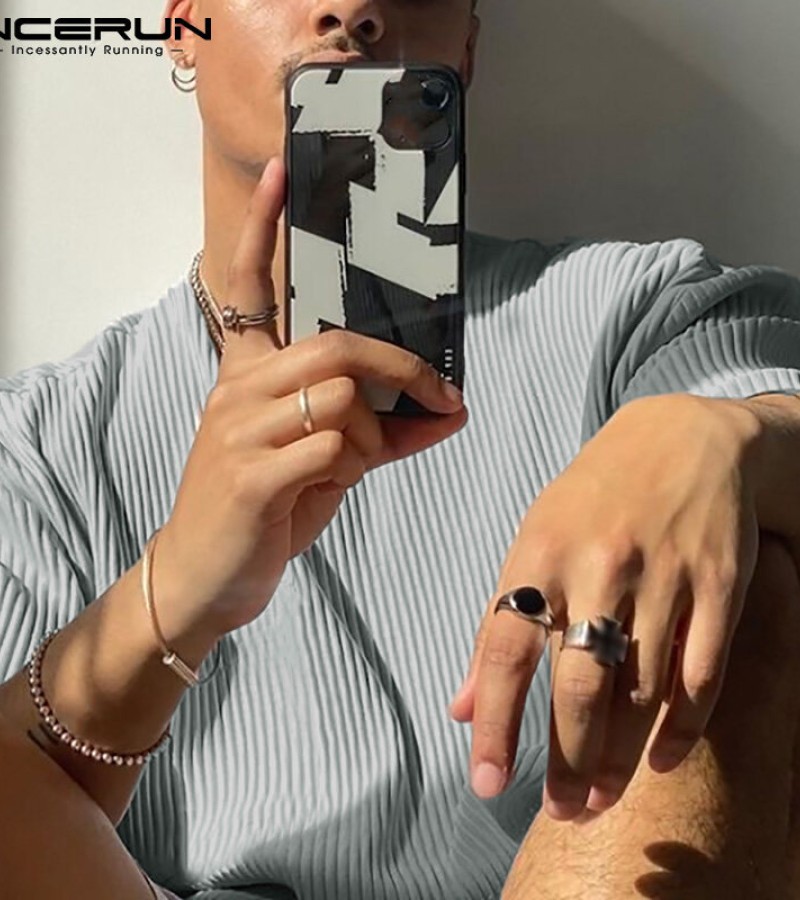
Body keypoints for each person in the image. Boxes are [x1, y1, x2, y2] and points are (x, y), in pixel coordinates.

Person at [2, 1, 800, 898]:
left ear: (465, 51)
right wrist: (172, 596)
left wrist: (729, 433)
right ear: (185, 28)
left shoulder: (623, 318)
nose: (353, 9)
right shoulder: (40, 451)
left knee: (758, 556)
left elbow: (760, 382)